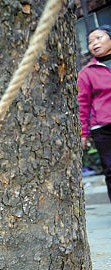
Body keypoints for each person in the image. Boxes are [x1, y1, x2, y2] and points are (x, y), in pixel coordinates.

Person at [78, 25, 111, 203]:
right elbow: (83, 104)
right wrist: (84, 133)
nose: (94, 43)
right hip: (104, 129)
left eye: (99, 37)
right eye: (90, 41)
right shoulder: (87, 73)